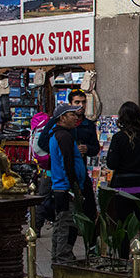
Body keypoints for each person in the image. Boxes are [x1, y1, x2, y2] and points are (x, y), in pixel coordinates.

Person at [38, 88, 100, 239]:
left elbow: (95, 147)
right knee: (52, 207)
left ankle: (85, 232)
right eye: (76, 103)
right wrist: (61, 151)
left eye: (83, 102)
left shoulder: (88, 125)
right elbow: (45, 143)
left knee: (85, 205)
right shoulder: (59, 128)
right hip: (61, 174)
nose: (80, 106)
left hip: (78, 172)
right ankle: (38, 227)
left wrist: (87, 148)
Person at [106, 101, 140, 262]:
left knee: (123, 226)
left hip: (123, 188)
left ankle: (123, 260)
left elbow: (111, 163)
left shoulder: (118, 138)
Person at [48, 102, 88, 263]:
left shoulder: (60, 135)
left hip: (62, 187)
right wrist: (73, 187)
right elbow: (67, 163)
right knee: (65, 223)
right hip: (64, 188)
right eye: (72, 115)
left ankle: (58, 254)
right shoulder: (62, 136)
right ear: (62, 117)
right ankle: (62, 257)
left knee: (62, 222)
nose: (75, 118)